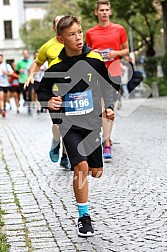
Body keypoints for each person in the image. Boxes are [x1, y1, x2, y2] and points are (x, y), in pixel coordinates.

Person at [37, 15, 115, 237]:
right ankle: (84, 217)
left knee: (95, 171)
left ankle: (91, 168)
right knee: (80, 167)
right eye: (72, 34)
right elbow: (41, 92)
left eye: (80, 32)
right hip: (69, 125)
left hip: (91, 125)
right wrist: (48, 101)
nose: (78, 38)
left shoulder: (94, 61)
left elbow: (108, 86)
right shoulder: (56, 67)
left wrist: (109, 106)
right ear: (61, 40)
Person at [24, 16, 70, 170]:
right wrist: (31, 75)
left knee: (69, 126)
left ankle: (65, 156)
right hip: (54, 90)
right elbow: (37, 63)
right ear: (54, 27)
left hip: (71, 89)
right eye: (58, 23)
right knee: (58, 124)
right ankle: (56, 141)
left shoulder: (73, 41)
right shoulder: (47, 46)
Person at [86, 0, 129, 159]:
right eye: (101, 10)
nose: (104, 12)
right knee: (101, 108)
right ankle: (106, 140)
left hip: (114, 72)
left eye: (106, 10)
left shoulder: (119, 29)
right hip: (97, 73)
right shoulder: (90, 33)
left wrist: (115, 54)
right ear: (96, 12)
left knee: (109, 108)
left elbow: (126, 51)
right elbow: (87, 53)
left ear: (110, 12)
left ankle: (107, 141)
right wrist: (94, 52)